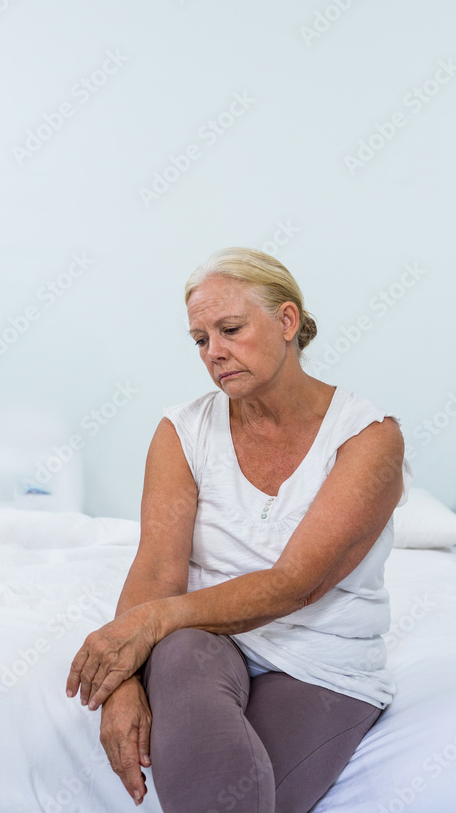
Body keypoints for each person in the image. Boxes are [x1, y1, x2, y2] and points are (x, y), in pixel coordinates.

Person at [65, 246, 411, 813]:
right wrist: (121, 683)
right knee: (180, 652)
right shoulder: (183, 430)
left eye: (230, 329)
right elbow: (156, 569)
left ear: (287, 321)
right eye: (200, 340)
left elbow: (296, 584)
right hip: (201, 640)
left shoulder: (367, 439)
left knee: (237, 794)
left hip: (319, 663)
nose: (215, 353)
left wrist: (151, 622)